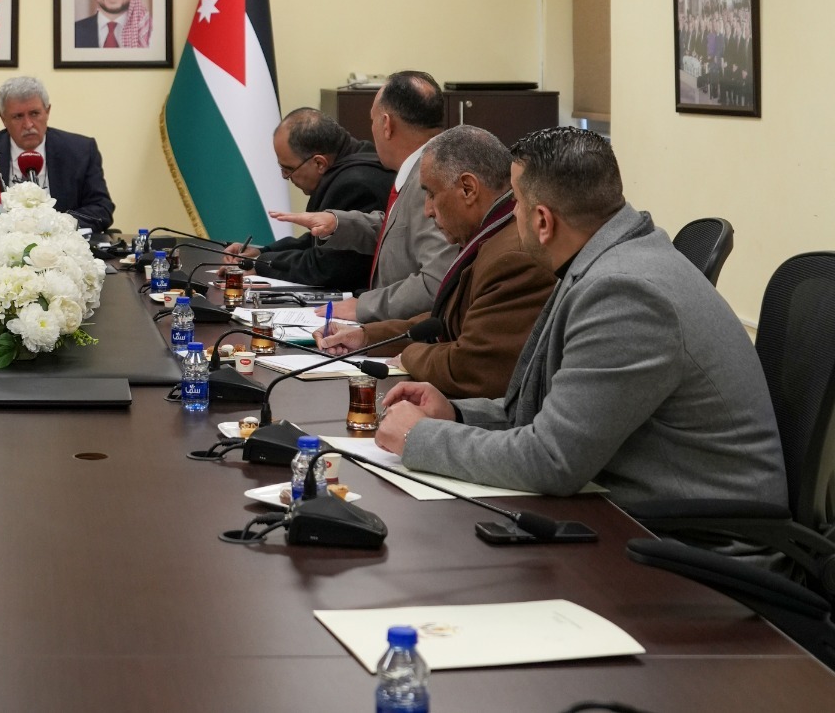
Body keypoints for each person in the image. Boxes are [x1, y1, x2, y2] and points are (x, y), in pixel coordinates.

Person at [376, 127, 786, 512]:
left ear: (543, 221)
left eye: (515, 203)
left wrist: (418, 437)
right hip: (638, 506)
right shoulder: (605, 259)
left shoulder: (625, 295)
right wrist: (456, 413)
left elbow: (551, 459)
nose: (510, 215)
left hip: (689, 536)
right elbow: (549, 416)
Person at [312, 126, 555, 401]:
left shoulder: (513, 257)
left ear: (468, 189)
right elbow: (444, 321)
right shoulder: (490, 236)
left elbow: (474, 368)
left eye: (431, 194)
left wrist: (409, 356)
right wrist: (366, 337)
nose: (427, 210)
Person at [269, 70, 458, 322]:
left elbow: (436, 282)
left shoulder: (432, 180)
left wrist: (364, 306)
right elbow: (399, 230)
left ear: (386, 124)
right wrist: (337, 223)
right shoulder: (420, 169)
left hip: (406, 336)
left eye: (372, 120)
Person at [222, 108, 392, 291]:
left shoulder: (355, 184)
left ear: (319, 163)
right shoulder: (358, 154)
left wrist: (258, 265)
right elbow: (318, 241)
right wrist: (262, 252)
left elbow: (324, 267)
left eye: (288, 169)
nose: (285, 177)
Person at [0, 75, 114, 232]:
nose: (28, 124)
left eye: (34, 114)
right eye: (18, 116)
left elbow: (101, 208)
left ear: (47, 111)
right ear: (3, 119)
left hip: (60, 244)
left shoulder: (81, 151)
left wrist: (60, 224)